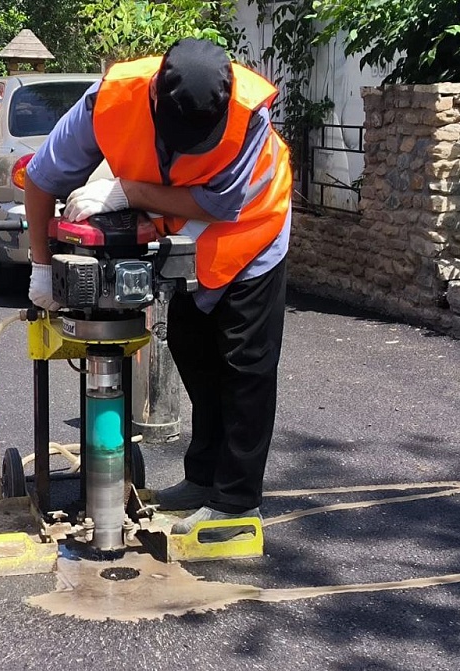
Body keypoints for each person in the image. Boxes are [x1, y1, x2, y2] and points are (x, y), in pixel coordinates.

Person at [23, 38, 292, 539]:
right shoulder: (110, 100)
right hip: (186, 239)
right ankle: (203, 478)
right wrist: (41, 269)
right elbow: (40, 179)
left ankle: (235, 504)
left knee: (244, 367)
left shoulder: (247, 113)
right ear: (153, 99)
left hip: (255, 233)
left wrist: (127, 192)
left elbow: (222, 204)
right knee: (192, 350)